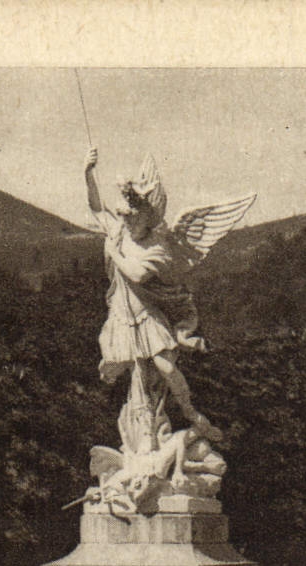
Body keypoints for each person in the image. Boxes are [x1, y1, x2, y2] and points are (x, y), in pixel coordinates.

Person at [84, 148, 255, 444]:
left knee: (165, 367)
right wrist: (88, 173)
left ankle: (192, 414)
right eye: (126, 218)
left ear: (148, 220)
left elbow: (136, 275)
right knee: (132, 377)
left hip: (148, 318)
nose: (127, 224)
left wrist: (112, 252)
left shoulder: (158, 248)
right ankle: (144, 436)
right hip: (122, 318)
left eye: (134, 220)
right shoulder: (120, 233)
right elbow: (98, 209)